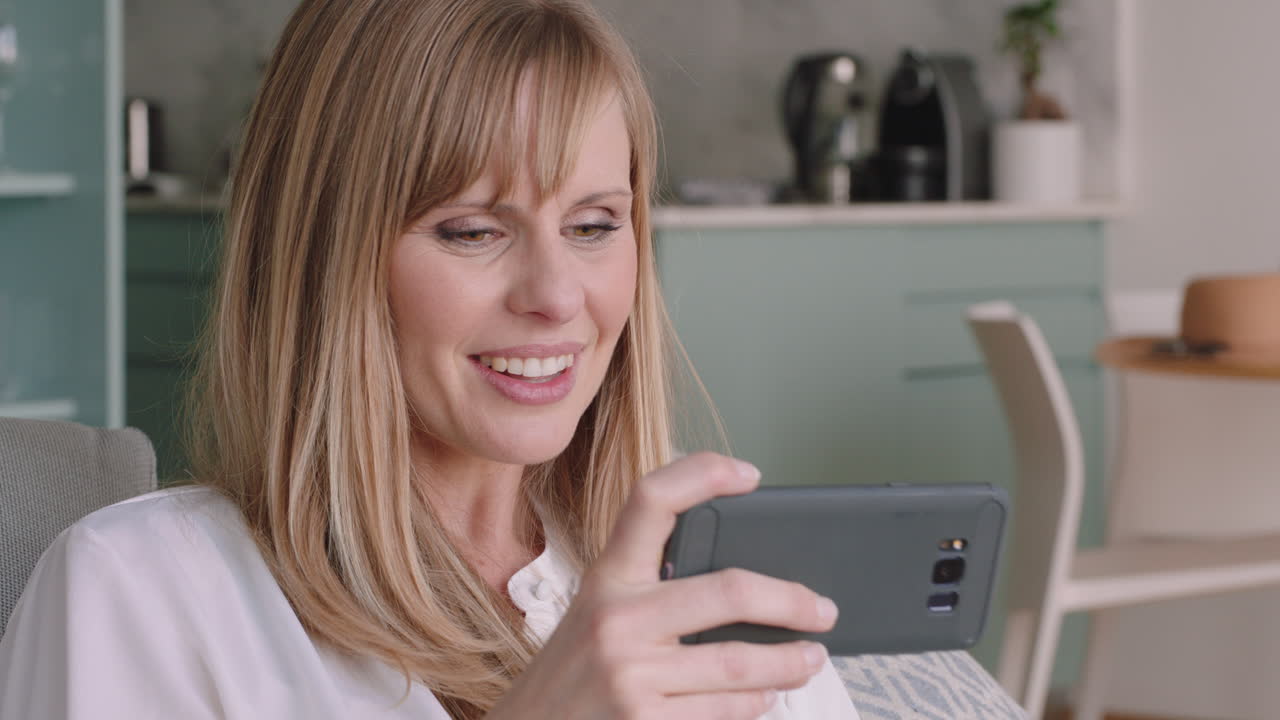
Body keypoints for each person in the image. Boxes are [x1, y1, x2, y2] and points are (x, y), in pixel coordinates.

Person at [0, 1, 860, 718]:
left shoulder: (712, 586)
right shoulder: (140, 593)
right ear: (323, 256)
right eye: (474, 231)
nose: (557, 296)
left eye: (594, 225)